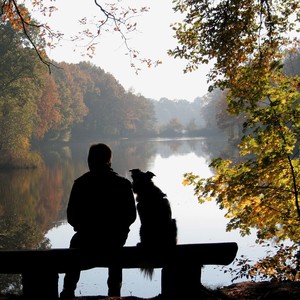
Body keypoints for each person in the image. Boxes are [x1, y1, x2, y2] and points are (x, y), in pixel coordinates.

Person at [60, 143, 137, 298]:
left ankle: (68, 292)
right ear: (109, 160)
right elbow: (131, 216)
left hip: (86, 238)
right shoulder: (123, 184)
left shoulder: (80, 183)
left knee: (75, 246)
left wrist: (85, 228)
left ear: (90, 160)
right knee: (116, 252)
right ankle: (114, 293)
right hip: (114, 239)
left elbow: (71, 217)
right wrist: (118, 229)